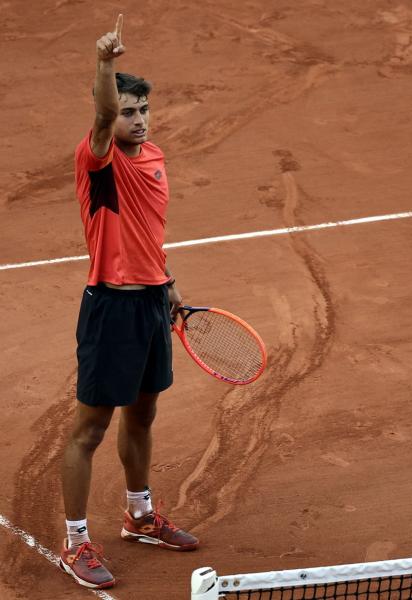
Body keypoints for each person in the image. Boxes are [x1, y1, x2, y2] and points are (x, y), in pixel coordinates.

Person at [59, 14, 198, 590]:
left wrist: (166, 280)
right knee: (90, 429)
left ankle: (139, 515)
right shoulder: (99, 161)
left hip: (149, 305)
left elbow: (149, 232)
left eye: (142, 110)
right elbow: (99, 115)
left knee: (144, 414)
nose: (136, 120)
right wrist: (104, 62)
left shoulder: (155, 158)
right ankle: (75, 543)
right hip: (110, 310)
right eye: (126, 110)